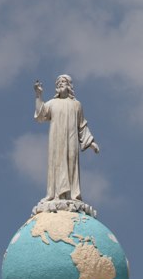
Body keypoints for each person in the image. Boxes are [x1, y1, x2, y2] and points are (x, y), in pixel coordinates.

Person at [34, 75, 99, 203]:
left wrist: (91, 142)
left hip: (71, 139)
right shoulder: (52, 103)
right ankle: (54, 194)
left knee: (71, 163)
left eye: (63, 82)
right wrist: (38, 95)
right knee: (56, 163)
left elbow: (82, 125)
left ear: (69, 85)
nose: (60, 84)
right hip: (57, 140)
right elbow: (40, 115)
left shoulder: (76, 105)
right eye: (58, 83)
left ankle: (72, 195)